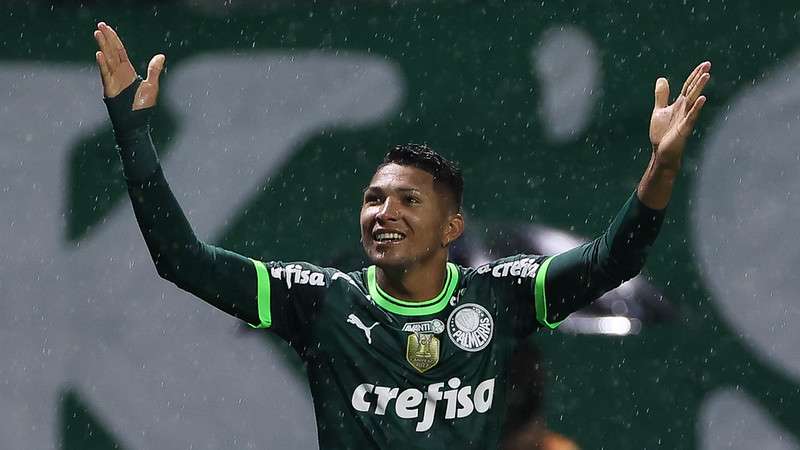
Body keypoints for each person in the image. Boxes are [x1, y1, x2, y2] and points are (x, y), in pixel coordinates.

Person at [93, 21, 710, 450]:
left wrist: (663, 166)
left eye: (408, 200)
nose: (383, 212)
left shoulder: (500, 297)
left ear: (451, 227)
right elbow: (183, 260)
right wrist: (134, 140)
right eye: (373, 198)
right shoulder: (320, 299)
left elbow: (615, 258)